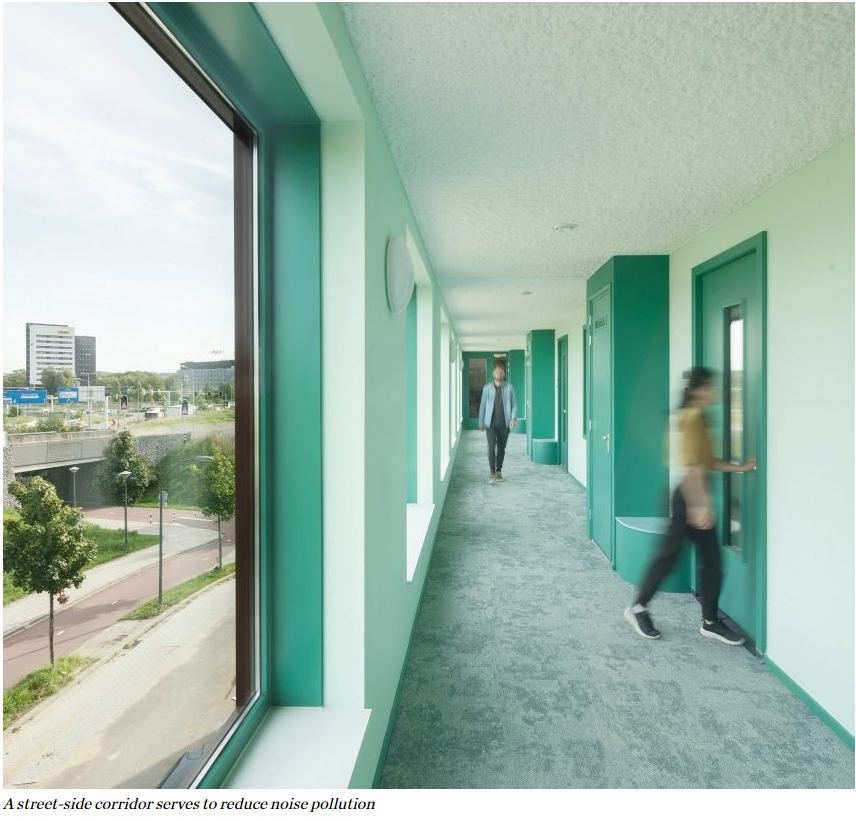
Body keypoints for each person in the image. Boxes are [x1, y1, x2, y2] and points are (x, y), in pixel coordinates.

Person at [624, 366, 756, 645]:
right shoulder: (691, 418)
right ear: (699, 390)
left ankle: (709, 621)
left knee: (710, 562)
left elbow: (707, 461)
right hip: (688, 496)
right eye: (710, 387)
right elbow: (693, 466)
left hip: (692, 494)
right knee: (671, 558)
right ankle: (638, 609)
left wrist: (740, 467)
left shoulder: (700, 417)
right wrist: (700, 507)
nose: (715, 392)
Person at [478, 362, 517, 482]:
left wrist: (513, 418)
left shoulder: (509, 387)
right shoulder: (486, 388)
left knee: (501, 448)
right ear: (493, 373)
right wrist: (480, 420)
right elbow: (483, 405)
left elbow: (514, 404)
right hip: (490, 423)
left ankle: (499, 471)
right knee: (491, 447)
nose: (499, 373)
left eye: (501, 371)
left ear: (504, 374)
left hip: (505, 423)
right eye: (497, 371)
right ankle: (492, 472)